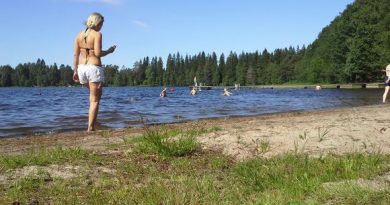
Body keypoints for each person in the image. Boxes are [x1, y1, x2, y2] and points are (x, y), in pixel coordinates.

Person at [73, 12, 116, 132]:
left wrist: (75, 70)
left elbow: (76, 54)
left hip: (82, 68)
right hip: (93, 68)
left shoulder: (79, 35)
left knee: (93, 97)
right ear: (96, 23)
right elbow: (97, 53)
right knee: (95, 99)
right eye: (101, 24)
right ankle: (90, 127)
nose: (102, 26)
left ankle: (94, 122)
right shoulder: (97, 34)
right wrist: (109, 51)